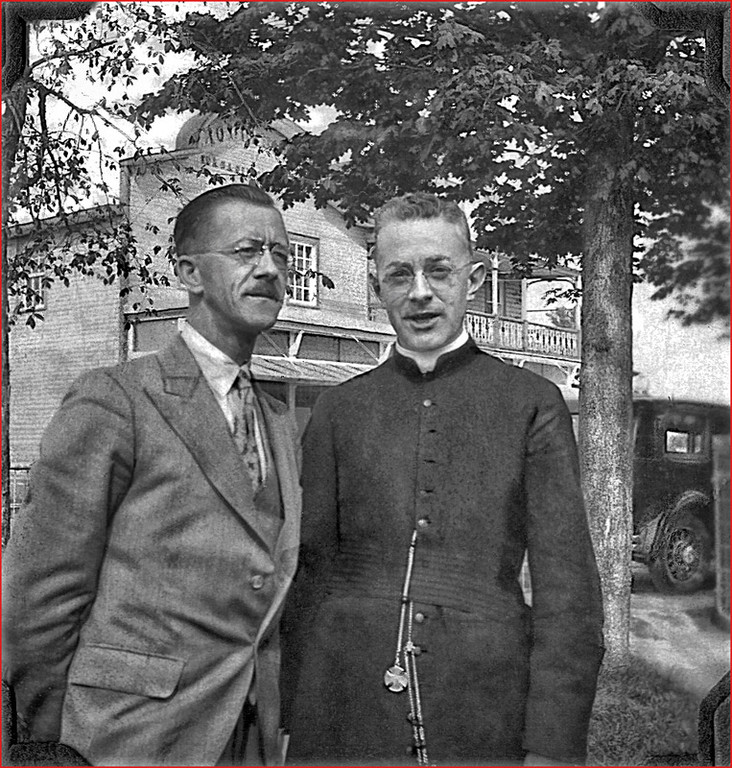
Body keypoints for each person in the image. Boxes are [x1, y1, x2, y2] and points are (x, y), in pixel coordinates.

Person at [281, 192, 605, 766]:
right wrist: (292, 719)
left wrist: (552, 746)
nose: (421, 292)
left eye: (439, 271)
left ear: (475, 278)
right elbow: (310, 574)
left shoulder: (531, 404)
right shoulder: (338, 410)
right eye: (399, 275)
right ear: (377, 285)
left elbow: (568, 592)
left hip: (484, 705)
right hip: (346, 702)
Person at [3, 184, 301, 766]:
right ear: (189, 272)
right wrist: (51, 743)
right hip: (124, 738)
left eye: (282, 255)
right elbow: (39, 597)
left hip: (249, 738)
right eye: (246, 251)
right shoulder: (116, 399)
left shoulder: (279, 422)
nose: (270, 269)